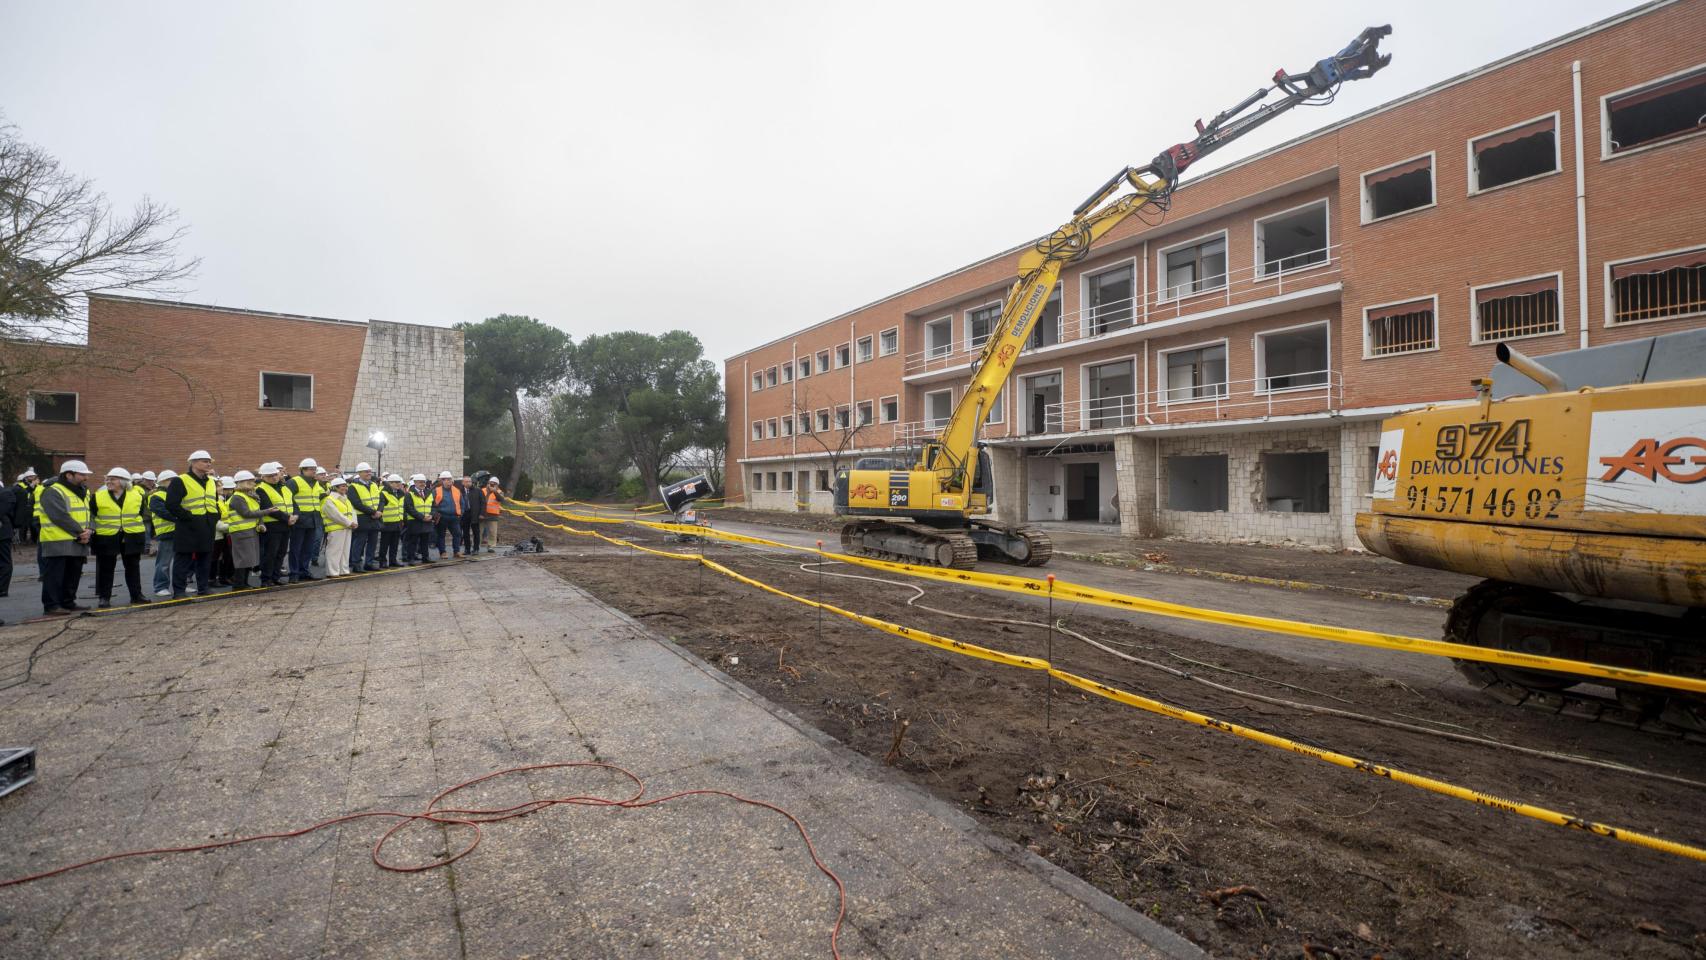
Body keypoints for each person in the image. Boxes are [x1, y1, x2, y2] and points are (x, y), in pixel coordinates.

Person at [38, 460, 94, 617]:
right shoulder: (53, 491)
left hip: (79, 540)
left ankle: (68, 602)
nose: (86, 478)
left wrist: (89, 530)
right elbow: (59, 516)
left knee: (73, 574)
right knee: (55, 575)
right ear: (69, 475)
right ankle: (52, 605)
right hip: (57, 540)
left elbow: (89, 512)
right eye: (82, 474)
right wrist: (80, 532)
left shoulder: (84, 490)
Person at [163, 451, 219, 600]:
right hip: (188, 526)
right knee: (183, 559)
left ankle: (203, 587)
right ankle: (179, 591)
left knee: (205, 558)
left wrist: (215, 516)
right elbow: (171, 504)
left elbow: (215, 501)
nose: (208, 464)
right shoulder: (181, 480)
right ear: (193, 463)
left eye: (209, 461)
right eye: (204, 461)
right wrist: (188, 517)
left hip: (207, 525)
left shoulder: (211, 481)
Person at [91, 467, 149, 608]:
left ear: (123, 482)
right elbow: (92, 515)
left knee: (133, 567)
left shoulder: (137, 496)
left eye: (113, 479)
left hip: (132, 535)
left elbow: (140, 514)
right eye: (108, 479)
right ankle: (104, 597)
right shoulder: (98, 496)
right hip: (106, 537)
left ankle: (136, 595)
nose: (109, 482)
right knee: (106, 568)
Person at [224, 471, 264, 589]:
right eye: (250, 481)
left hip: (249, 530)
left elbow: (255, 512)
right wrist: (267, 511)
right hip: (240, 531)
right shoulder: (237, 497)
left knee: (249, 559)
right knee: (242, 559)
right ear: (241, 483)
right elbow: (246, 513)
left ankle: (243, 583)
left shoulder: (249, 496)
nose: (253, 483)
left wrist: (260, 523)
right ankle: (238, 584)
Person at [254, 463, 292, 587]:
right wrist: (288, 518)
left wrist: (295, 515)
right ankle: (266, 579)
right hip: (272, 525)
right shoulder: (260, 489)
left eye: (275, 475)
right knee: (270, 553)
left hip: (286, 524)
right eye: (270, 476)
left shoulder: (283, 487)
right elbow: (268, 507)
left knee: (281, 552)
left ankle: (276, 577)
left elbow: (293, 503)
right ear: (263, 477)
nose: (274, 478)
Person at [287, 458, 324, 583]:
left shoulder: (316, 482)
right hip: (300, 519)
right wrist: (296, 514)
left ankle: (304, 571)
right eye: (311, 469)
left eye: (315, 469)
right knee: (296, 548)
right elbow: (288, 499)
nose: (314, 471)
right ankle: (294, 573)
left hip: (313, 519)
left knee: (307, 549)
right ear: (302, 470)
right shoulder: (294, 482)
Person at [347, 462, 383, 573]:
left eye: (369, 471)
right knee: (359, 542)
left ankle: (369, 563)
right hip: (362, 518)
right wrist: (373, 512)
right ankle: (356, 564)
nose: (369, 473)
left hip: (375, 518)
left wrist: (379, 511)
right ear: (359, 473)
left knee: (373, 542)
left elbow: (380, 499)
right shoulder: (353, 486)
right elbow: (356, 503)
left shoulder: (373, 484)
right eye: (366, 471)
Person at [150, 469, 178, 597]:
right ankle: (160, 586)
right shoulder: (156, 497)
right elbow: (163, 512)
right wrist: (180, 518)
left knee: (180, 561)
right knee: (164, 562)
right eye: (172, 480)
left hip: (179, 531)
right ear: (164, 482)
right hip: (167, 532)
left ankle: (179, 585)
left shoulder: (176, 494)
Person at [322, 477, 356, 577]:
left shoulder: (346, 499)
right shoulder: (329, 500)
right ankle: (332, 572)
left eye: (345, 486)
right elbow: (335, 515)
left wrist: (354, 522)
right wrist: (350, 523)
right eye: (342, 486)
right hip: (335, 529)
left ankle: (343, 570)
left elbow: (352, 511)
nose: (345, 488)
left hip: (347, 527)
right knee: (334, 551)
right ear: (335, 488)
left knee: (345, 551)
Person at [404, 473, 435, 565]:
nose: (422, 484)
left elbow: (434, 506)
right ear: (415, 483)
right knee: (413, 541)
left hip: (427, 520)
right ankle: (411, 559)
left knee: (425, 541)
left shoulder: (429, 493)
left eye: (423, 482)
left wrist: (431, 515)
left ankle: (425, 557)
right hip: (415, 521)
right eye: (420, 482)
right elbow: (409, 508)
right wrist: (422, 517)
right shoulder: (410, 494)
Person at [432, 470, 464, 557]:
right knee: (441, 535)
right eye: (446, 479)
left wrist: (461, 513)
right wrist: (434, 514)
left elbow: (462, 503)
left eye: (450, 479)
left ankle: (456, 552)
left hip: (454, 517)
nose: (449, 481)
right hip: (442, 517)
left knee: (457, 534)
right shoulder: (436, 491)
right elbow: (432, 504)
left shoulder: (457, 490)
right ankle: (443, 552)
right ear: (442, 481)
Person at [213, 476, 237, 586]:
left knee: (225, 557)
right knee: (215, 558)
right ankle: (213, 579)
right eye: (219, 486)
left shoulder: (221, 500)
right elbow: (216, 521)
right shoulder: (215, 501)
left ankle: (223, 577)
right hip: (218, 533)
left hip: (224, 533)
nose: (222, 488)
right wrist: (231, 526)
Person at [379, 473, 406, 568]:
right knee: (384, 544)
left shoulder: (401, 493)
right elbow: (381, 506)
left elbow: (402, 507)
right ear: (390, 483)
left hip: (398, 522)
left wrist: (402, 519)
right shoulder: (384, 493)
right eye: (396, 482)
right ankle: (382, 561)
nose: (399, 484)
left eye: (399, 482)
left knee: (395, 544)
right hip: (387, 522)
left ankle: (393, 560)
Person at [11, 469, 38, 546]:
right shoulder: (20, 486)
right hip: (24, 508)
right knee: (24, 526)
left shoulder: (36, 486)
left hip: (33, 507)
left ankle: (33, 540)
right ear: (26, 478)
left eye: (34, 476)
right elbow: (23, 492)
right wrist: (31, 486)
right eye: (31, 477)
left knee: (33, 525)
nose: (33, 478)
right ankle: (22, 540)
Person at [458, 475, 484, 556]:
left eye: (469, 481)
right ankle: (467, 549)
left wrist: (482, 513)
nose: (468, 483)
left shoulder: (478, 490)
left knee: (476, 532)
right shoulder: (459, 491)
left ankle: (476, 549)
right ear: (462, 483)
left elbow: (483, 503)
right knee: (465, 533)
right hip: (464, 514)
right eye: (466, 481)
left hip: (475, 514)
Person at [482, 477, 506, 553]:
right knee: (479, 530)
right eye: (490, 483)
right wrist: (488, 492)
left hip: (493, 514)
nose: (491, 485)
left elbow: (501, 499)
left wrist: (495, 491)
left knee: (492, 532)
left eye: (494, 484)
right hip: (482, 513)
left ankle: (491, 546)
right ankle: (476, 545)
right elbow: (481, 501)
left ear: (497, 485)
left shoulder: (500, 492)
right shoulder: (483, 490)